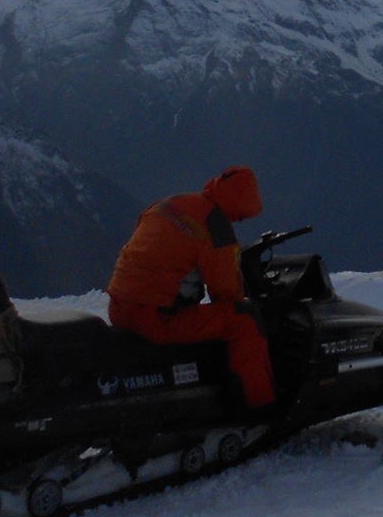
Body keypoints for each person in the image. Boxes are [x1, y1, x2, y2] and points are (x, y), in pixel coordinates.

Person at [106, 165, 275, 410]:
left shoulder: (171, 204)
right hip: (154, 319)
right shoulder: (216, 227)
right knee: (243, 320)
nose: (239, 220)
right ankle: (258, 405)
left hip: (119, 308)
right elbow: (227, 294)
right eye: (242, 215)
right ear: (239, 203)